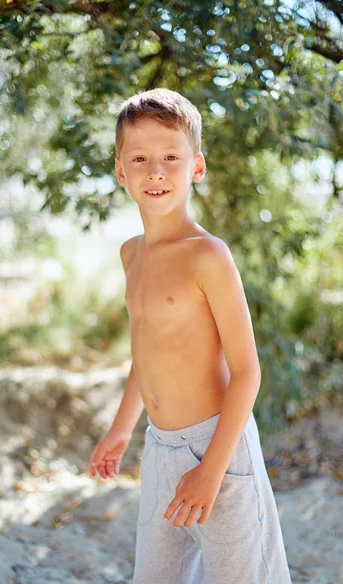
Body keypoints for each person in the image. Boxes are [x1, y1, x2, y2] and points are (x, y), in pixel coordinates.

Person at [88, 88, 292, 584]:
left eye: (171, 158)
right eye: (140, 158)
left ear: (196, 167)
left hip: (219, 449)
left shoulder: (208, 255)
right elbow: (147, 353)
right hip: (161, 449)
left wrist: (211, 470)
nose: (155, 171)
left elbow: (247, 372)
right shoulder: (130, 254)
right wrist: (121, 429)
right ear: (120, 170)